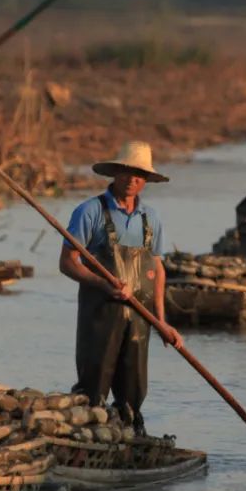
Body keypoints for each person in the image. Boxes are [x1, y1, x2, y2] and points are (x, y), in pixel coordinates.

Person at [59, 141, 182, 435]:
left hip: (140, 315)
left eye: (139, 175)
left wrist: (161, 321)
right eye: (127, 172)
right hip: (101, 313)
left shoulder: (151, 218)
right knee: (94, 383)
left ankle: (129, 433)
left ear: (146, 180)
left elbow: (157, 270)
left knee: (133, 386)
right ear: (115, 172)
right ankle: (90, 434)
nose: (132, 180)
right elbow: (68, 262)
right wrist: (102, 283)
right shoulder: (89, 211)